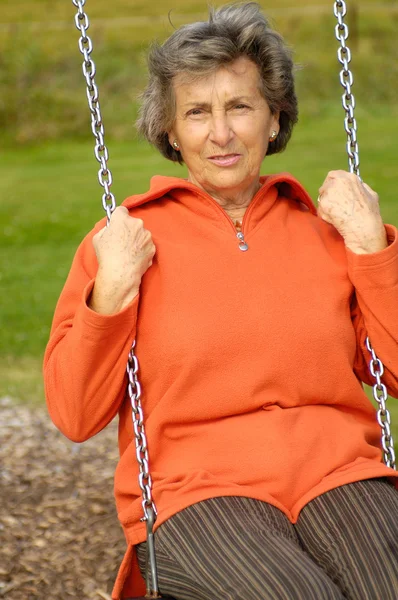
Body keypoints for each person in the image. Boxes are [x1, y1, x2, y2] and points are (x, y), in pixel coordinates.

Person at [44, 3, 398, 599]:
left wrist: (371, 247)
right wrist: (109, 295)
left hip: (340, 473)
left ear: (274, 117)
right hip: (194, 491)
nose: (221, 133)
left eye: (239, 106)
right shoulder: (126, 243)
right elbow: (76, 414)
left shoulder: (329, 231)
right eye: (198, 112)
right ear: (171, 131)